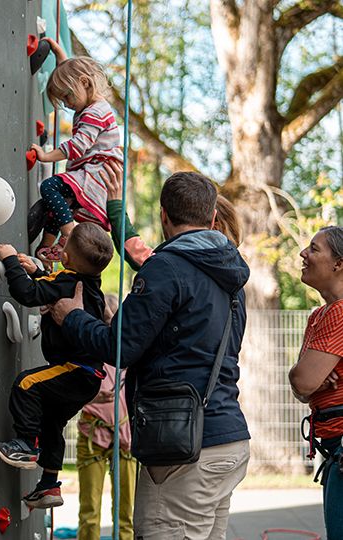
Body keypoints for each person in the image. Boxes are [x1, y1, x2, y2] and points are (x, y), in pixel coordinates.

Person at [51, 171, 251, 539]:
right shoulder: (231, 276)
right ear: (211, 219)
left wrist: (73, 318)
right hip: (229, 438)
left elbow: (120, 346)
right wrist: (115, 214)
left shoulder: (167, 268)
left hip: (185, 446)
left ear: (163, 216)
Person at [0, 222, 114, 509]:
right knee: (51, 422)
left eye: (66, 240)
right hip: (87, 376)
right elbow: (53, 286)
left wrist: (9, 259)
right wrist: (38, 272)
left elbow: (28, 294)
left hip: (75, 369)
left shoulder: (66, 280)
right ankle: (48, 486)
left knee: (26, 384)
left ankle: (25, 446)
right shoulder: (89, 284)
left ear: (66, 259)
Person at [29, 38, 123, 264]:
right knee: (57, 206)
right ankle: (47, 247)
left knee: (50, 187)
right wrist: (59, 54)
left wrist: (46, 156)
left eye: (68, 96)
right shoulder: (90, 101)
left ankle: (68, 232)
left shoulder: (94, 113)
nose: (67, 103)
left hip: (96, 174)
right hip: (92, 171)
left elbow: (77, 146)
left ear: (85, 83)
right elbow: (72, 74)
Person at [288, 225, 343, 539]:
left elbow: (304, 381)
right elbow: (301, 386)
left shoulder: (339, 314)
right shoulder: (319, 316)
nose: (303, 253)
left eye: (314, 248)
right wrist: (302, 377)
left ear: (338, 263)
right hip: (331, 448)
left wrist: (304, 377)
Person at [98, 161, 242, 272]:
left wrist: (116, 207)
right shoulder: (233, 267)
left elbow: (139, 254)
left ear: (212, 223)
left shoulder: (183, 262)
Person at [76, 293, 136, 540]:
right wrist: (91, 398)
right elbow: (68, 393)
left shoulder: (129, 353)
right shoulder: (86, 353)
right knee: (89, 512)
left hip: (125, 437)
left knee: (126, 514)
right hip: (93, 433)